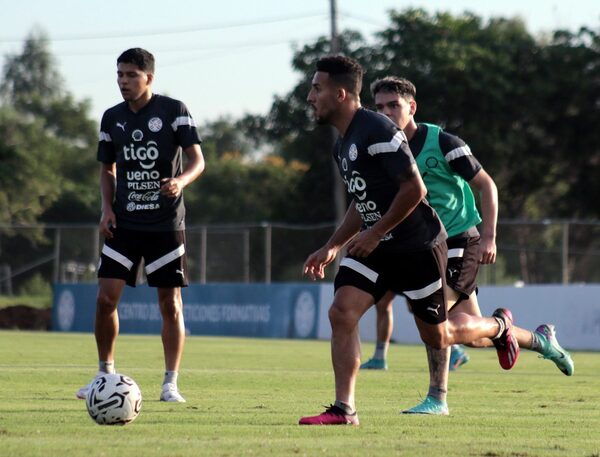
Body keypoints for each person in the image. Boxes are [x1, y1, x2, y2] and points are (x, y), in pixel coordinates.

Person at [299, 55, 522, 426]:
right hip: (376, 246)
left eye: (316, 88)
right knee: (341, 312)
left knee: (440, 335)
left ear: (339, 94)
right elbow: (361, 200)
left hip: (417, 246)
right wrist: (333, 245)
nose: (310, 97)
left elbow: (415, 189)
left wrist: (375, 232)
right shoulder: (342, 144)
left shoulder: (378, 130)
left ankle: (498, 327)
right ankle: (344, 409)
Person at [360, 77, 574, 393]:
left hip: (461, 239)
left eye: (394, 105)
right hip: (427, 246)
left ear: (412, 107)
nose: (386, 112)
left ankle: (437, 397)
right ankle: (539, 340)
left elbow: (487, 184)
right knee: (473, 336)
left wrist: (490, 236)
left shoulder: (443, 143)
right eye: (379, 107)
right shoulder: (382, 151)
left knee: (436, 321)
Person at [75, 48, 205, 403]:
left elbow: (198, 160)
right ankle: (104, 375)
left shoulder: (174, 112)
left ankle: (170, 383)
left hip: (165, 224)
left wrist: (180, 181)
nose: (123, 82)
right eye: (119, 75)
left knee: (170, 304)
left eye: (131, 75)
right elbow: (107, 169)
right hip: (125, 223)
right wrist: (106, 209)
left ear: (149, 77)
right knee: (105, 299)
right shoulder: (111, 118)